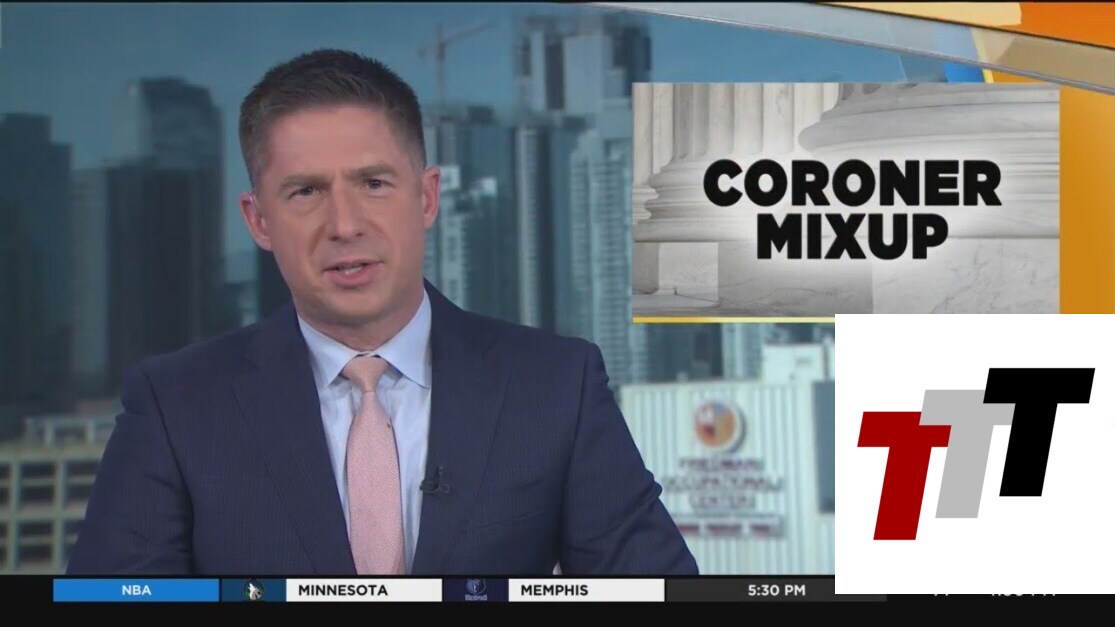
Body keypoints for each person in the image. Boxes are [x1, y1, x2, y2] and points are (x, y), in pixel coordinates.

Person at [67, 49, 698, 576]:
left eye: (373, 183)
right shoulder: (176, 405)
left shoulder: (556, 385)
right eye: (306, 191)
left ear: (426, 198)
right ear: (258, 220)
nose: (345, 224)